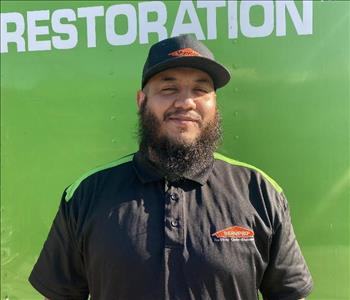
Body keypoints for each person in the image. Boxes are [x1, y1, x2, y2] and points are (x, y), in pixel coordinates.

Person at [29, 34, 313, 300]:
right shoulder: (86, 195)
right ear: (142, 101)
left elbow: (289, 294)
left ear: (215, 104)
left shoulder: (259, 191)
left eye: (200, 89)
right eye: (168, 88)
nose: (186, 102)